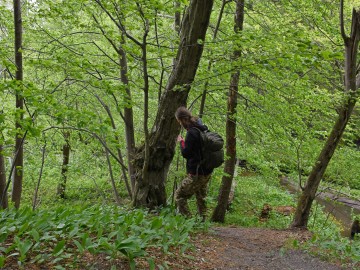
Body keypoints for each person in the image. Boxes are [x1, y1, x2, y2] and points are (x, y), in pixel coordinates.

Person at [174, 106, 213, 221]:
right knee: (201, 197)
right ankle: (203, 222)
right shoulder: (201, 126)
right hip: (207, 171)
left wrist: (181, 142)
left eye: (179, 121)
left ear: (182, 120)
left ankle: (189, 221)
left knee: (179, 196)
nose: (180, 124)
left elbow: (186, 153)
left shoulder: (191, 133)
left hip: (196, 173)